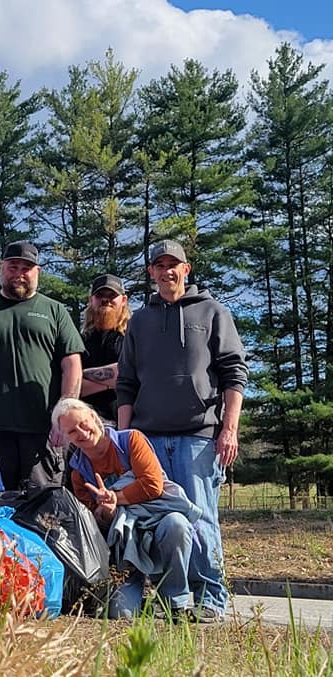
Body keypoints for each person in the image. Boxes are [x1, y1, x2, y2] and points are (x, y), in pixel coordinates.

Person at [117, 239, 248, 622]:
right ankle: (169, 599)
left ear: (186, 269)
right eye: (159, 266)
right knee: (159, 520)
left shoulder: (212, 312)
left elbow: (234, 373)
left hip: (199, 438)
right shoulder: (139, 321)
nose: (166, 271)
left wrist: (229, 429)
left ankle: (211, 600)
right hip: (149, 440)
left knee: (201, 518)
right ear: (151, 273)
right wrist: (125, 440)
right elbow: (126, 383)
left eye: (173, 264)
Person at [0, 241, 84, 490]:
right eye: (13, 267)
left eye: (26, 268)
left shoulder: (55, 311)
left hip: (44, 430)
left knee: (44, 503)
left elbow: (72, 364)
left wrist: (65, 415)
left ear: (37, 272)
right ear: (2, 268)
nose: (19, 274)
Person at [52, 398, 199, 620]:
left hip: (159, 522)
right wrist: (107, 511)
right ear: (65, 437)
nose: (81, 432)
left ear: (94, 417)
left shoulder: (131, 440)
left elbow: (153, 485)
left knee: (176, 525)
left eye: (83, 423)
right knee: (121, 613)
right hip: (123, 544)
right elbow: (95, 524)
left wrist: (116, 497)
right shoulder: (78, 473)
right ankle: (145, 601)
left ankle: (174, 602)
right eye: (72, 431)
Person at [80, 274, 130, 424]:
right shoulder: (80, 340)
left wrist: (82, 375)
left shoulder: (133, 336)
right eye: (100, 295)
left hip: (124, 422)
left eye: (112, 295)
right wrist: (111, 382)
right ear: (91, 300)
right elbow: (73, 385)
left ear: (124, 300)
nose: (105, 299)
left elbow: (130, 372)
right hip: (87, 422)